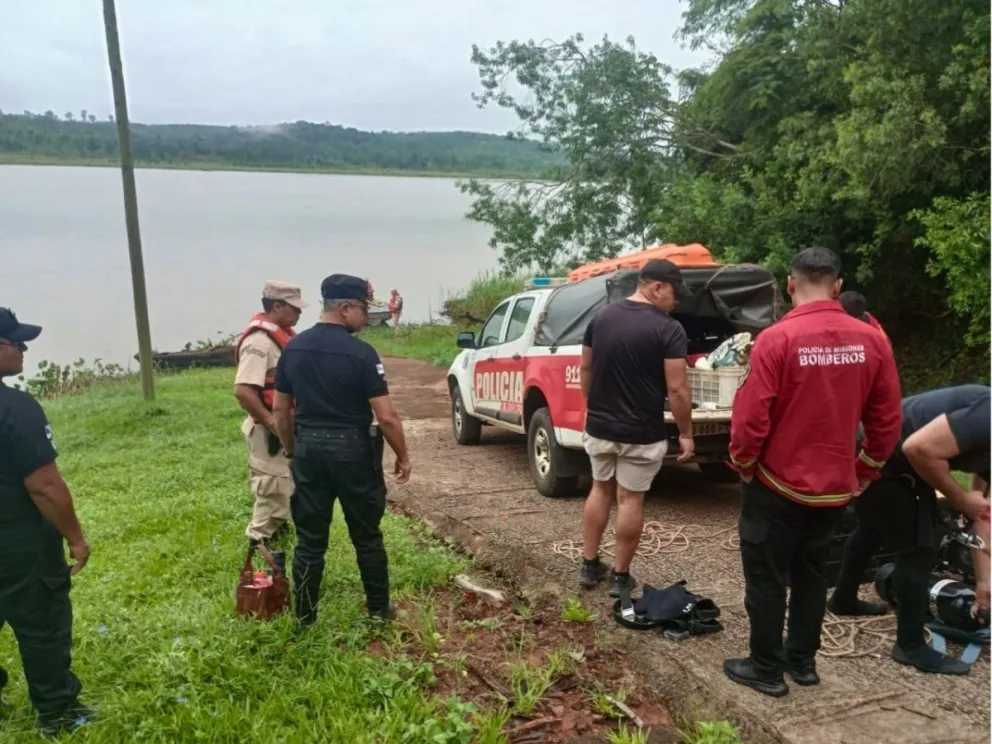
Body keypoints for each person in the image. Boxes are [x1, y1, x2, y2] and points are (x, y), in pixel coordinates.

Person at [725, 247, 902, 697]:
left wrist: (744, 465)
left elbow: (749, 421)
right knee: (812, 573)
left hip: (774, 484)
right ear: (838, 285)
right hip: (834, 490)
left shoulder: (776, 340)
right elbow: (886, 419)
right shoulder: (872, 340)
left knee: (766, 578)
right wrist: (866, 468)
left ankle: (765, 668)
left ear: (791, 284)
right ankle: (802, 663)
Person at [273, 274, 412, 626]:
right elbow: (387, 417)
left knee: (309, 541)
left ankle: (305, 618)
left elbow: (280, 411)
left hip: (309, 450)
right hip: (353, 452)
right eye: (363, 309)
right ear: (346, 308)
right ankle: (379, 611)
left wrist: (292, 450)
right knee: (367, 537)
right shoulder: (362, 354)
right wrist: (403, 456)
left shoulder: (293, 348)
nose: (366, 317)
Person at [828, 385, 990, 675]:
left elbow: (983, 515)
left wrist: (983, 584)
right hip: (882, 455)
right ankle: (910, 645)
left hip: (875, 448)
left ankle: (843, 599)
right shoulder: (987, 416)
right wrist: (960, 499)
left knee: (870, 528)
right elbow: (918, 448)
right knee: (918, 549)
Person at [0, 308, 93, 735]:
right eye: (16, 342)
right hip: (17, 541)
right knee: (42, 624)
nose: (24, 349)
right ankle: (58, 712)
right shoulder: (15, 409)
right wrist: (75, 537)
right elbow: (44, 486)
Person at [578, 259, 695, 598]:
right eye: (674, 293)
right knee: (629, 499)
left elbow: (585, 368)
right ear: (657, 287)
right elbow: (677, 389)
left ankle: (588, 566)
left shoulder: (600, 318)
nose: (675, 302)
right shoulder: (669, 328)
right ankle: (620, 577)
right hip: (641, 432)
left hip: (599, 426)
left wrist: (593, 408)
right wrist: (686, 433)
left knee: (600, 489)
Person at [233, 281, 307, 547]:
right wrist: (272, 423)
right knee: (272, 487)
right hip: (268, 432)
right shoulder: (259, 342)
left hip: (286, 425)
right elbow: (243, 390)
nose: (299, 313)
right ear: (276, 306)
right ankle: (259, 543)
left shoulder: (284, 336)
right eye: (294, 308)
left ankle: (280, 536)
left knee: (288, 483)